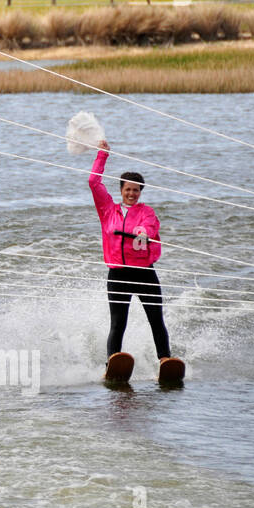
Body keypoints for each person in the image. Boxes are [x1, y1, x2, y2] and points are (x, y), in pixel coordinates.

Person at [89, 140, 171, 363]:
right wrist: (102, 155)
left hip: (144, 274)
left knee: (156, 320)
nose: (132, 194)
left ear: (140, 192)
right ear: (121, 190)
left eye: (136, 190)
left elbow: (151, 227)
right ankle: (112, 362)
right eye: (128, 189)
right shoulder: (108, 210)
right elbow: (93, 182)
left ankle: (165, 361)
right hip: (118, 274)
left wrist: (142, 231)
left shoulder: (147, 212)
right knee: (118, 323)